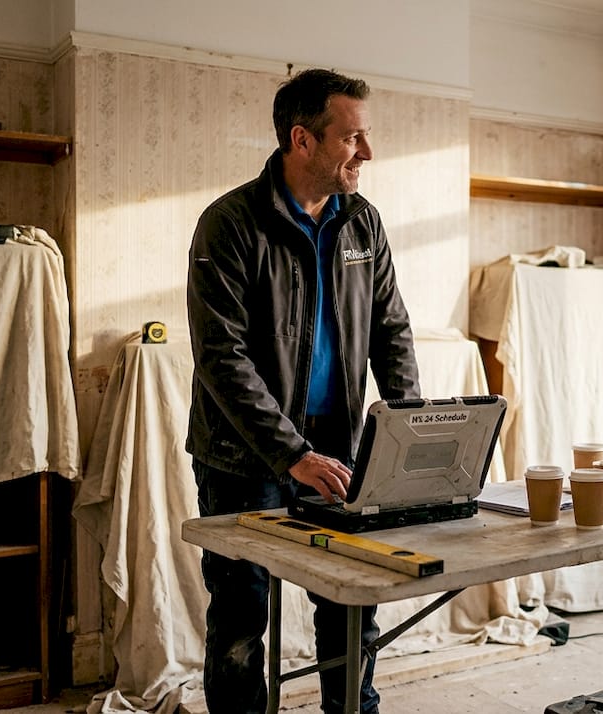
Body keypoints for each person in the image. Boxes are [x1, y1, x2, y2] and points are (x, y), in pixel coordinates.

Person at [186, 68, 420, 714]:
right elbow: (221, 359)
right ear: (303, 141)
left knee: (351, 603)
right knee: (239, 618)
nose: (366, 153)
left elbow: (392, 331)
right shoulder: (228, 226)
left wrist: (406, 432)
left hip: (337, 444)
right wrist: (293, 454)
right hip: (242, 456)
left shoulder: (362, 225)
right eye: (353, 138)